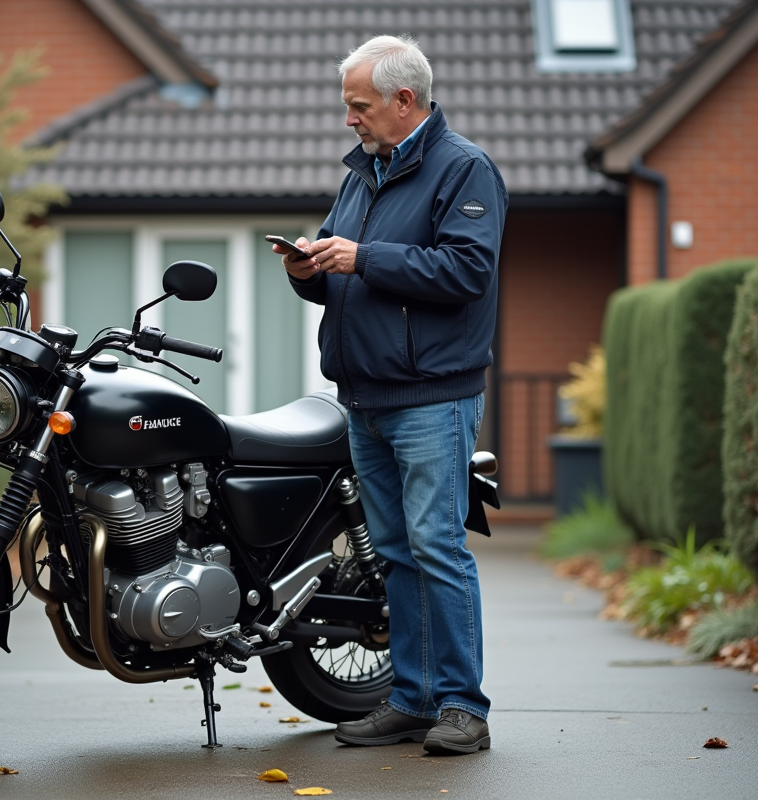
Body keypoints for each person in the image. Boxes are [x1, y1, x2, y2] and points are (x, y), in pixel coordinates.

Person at [274, 35, 507, 755]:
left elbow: (466, 272)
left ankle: (464, 708)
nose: (350, 119)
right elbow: (343, 265)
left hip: (431, 398)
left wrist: (362, 257)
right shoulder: (362, 174)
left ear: (404, 101)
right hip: (364, 395)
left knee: (437, 549)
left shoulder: (464, 169)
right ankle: (411, 699)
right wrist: (310, 269)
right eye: (349, 106)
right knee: (397, 555)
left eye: (360, 106)